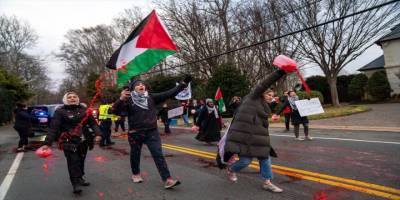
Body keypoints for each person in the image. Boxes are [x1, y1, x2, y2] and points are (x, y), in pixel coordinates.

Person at [111, 76, 191, 189]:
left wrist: (183, 84)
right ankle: (136, 173)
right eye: (138, 84)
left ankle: (167, 179)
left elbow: (168, 93)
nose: (141, 85)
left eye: (142, 84)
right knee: (135, 155)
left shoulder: (151, 97)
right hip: (135, 133)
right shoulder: (128, 100)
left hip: (152, 132)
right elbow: (114, 110)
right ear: (133, 88)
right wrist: (121, 99)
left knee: (158, 155)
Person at [224, 68, 294, 193]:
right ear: (261, 93)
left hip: (259, 138)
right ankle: (231, 169)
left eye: (272, 96)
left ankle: (267, 182)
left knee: (265, 159)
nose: (270, 97)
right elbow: (264, 84)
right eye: (268, 94)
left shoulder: (264, 105)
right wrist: (281, 72)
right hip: (244, 138)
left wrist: (276, 113)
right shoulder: (253, 97)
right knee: (245, 161)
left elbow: (263, 117)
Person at [39, 91, 102, 194]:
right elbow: (53, 128)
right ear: (65, 100)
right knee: (73, 162)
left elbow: (93, 124)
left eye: (74, 97)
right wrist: (47, 143)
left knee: (81, 161)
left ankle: (80, 177)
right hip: (68, 141)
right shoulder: (60, 112)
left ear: (78, 99)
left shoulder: (85, 110)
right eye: (70, 97)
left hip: (84, 141)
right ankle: (75, 183)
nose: (72, 98)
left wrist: (98, 134)